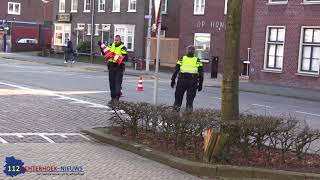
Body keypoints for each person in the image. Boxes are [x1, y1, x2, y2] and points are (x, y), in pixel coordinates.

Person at [171, 45, 204, 111]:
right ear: (194, 52)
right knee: (190, 101)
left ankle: (174, 117)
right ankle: (188, 118)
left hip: (182, 81)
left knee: (178, 100)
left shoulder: (182, 59)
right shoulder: (197, 60)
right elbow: (201, 74)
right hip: (193, 81)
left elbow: (176, 71)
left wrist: (173, 80)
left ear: (187, 51)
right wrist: (200, 84)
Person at [98, 35, 128, 104]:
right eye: (115, 40)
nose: (116, 41)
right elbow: (105, 53)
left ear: (120, 40)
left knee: (117, 83)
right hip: (111, 67)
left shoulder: (122, 47)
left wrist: (116, 57)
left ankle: (117, 99)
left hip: (119, 68)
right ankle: (112, 98)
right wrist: (101, 46)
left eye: (117, 40)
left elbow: (126, 58)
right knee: (111, 84)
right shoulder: (111, 45)